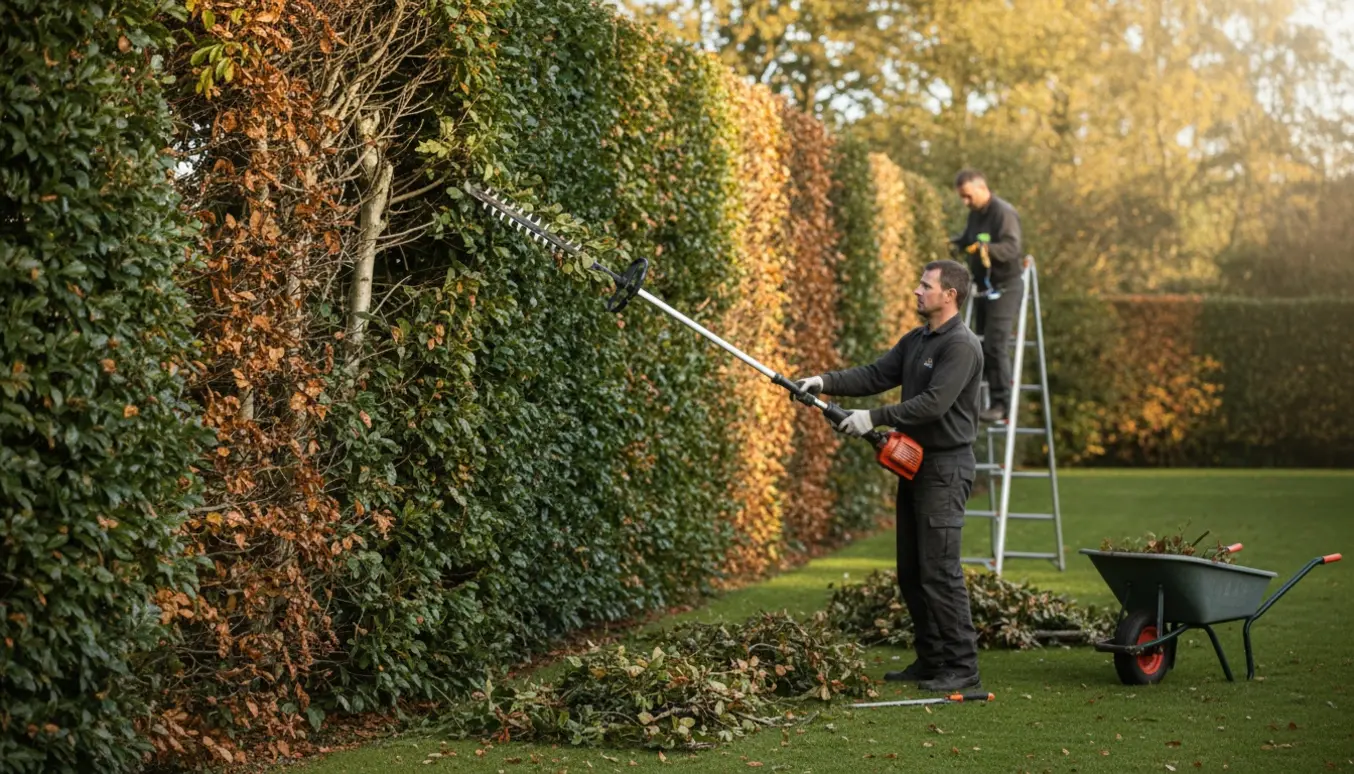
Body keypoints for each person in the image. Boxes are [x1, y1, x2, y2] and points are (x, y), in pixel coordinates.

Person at [792, 259, 983, 692]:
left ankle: (962, 667)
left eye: (925, 285)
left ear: (949, 295)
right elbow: (877, 374)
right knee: (912, 569)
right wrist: (822, 381)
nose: (917, 291)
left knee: (941, 569)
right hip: (914, 463)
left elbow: (934, 404)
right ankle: (933, 658)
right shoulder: (917, 340)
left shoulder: (961, 346)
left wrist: (873, 417)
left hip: (946, 468)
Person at [949, 169, 1024, 423]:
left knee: (994, 343)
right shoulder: (975, 215)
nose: (965, 202)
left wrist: (986, 249)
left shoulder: (1003, 213)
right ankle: (971, 400)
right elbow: (968, 238)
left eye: (968, 196)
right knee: (976, 346)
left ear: (982, 189)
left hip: (1005, 287)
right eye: (962, 198)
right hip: (982, 288)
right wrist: (955, 244)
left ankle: (1002, 405)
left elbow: (1013, 247)